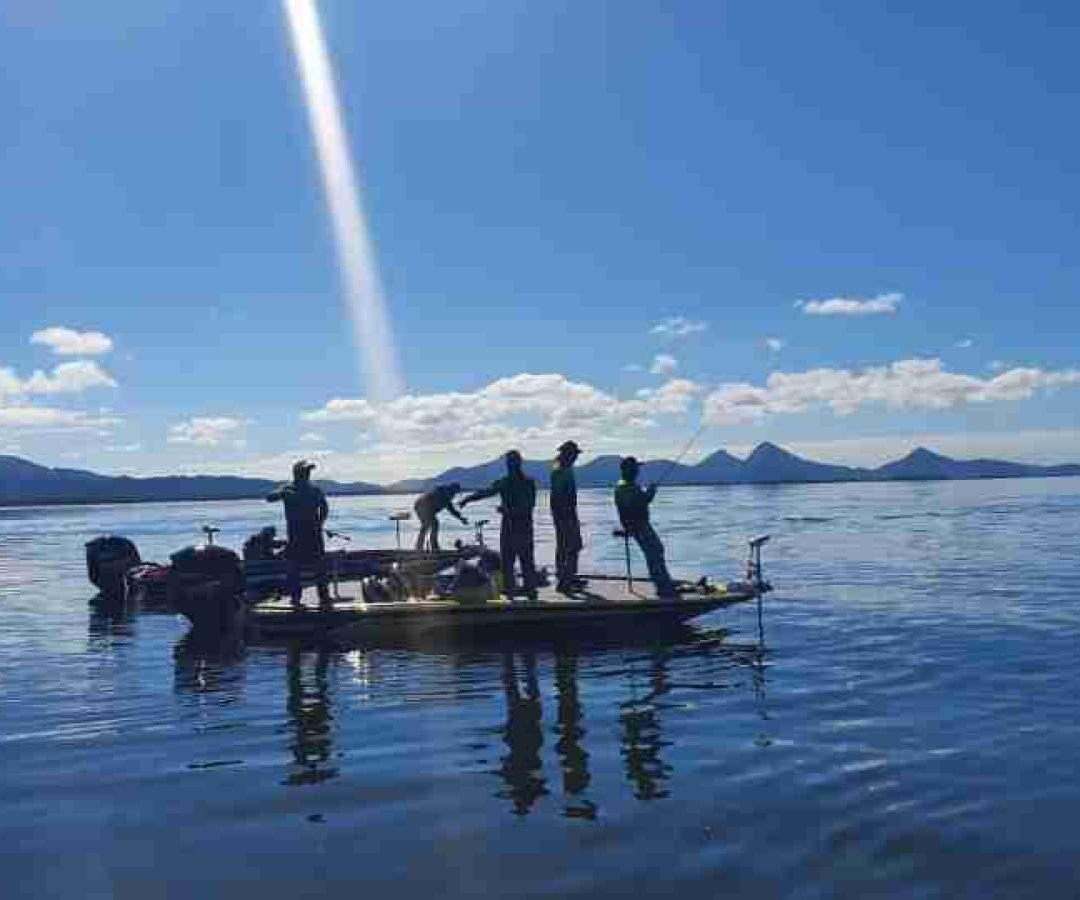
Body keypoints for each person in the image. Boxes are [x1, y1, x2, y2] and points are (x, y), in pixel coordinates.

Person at [460, 450, 538, 601]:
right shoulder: (508, 482)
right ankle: (514, 592)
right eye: (509, 463)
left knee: (522, 560)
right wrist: (468, 498)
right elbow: (486, 492)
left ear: (518, 463)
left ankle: (527, 591)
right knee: (511, 561)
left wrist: (506, 510)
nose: (510, 465)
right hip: (514, 527)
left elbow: (528, 506)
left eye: (512, 462)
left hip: (519, 527)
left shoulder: (527, 483)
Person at [267, 460, 332, 610]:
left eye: (308, 472)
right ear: (297, 473)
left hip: (314, 534)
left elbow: (324, 507)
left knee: (320, 569)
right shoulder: (288, 488)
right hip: (296, 535)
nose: (307, 474)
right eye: (305, 472)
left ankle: (324, 597)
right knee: (294, 570)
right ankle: (295, 599)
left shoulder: (315, 489)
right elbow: (269, 497)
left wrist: (320, 522)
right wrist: (282, 493)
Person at [614, 456, 676, 598]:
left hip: (638, 525)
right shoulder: (625, 486)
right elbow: (640, 502)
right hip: (638, 525)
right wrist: (650, 492)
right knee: (654, 552)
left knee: (656, 551)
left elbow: (639, 501)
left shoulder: (626, 485)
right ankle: (663, 587)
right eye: (635, 468)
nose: (637, 470)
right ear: (628, 470)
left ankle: (663, 582)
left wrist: (648, 493)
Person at [551, 440, 584, 593]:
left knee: (564, 547)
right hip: (565, 514)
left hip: (566, 514)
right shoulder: (561, 471)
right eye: (574, 454)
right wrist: (567, 515)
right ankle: (566, 580)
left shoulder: (564, 469)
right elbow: (558, 497)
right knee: (573, 546)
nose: (576, 457)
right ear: (567, 455)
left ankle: (568, 577)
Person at [413, 482, 468, 551]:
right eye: (454, 493)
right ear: (451, 490)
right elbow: (427, 500)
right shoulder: (440, 493)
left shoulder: (447, 497)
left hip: (424, 507)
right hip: (421, 506)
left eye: (455, 493)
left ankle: (424, 547)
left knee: (429, 525)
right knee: (432, 524)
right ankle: (429, 547)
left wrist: (461, 518)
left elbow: (452, 510)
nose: (454, 495)